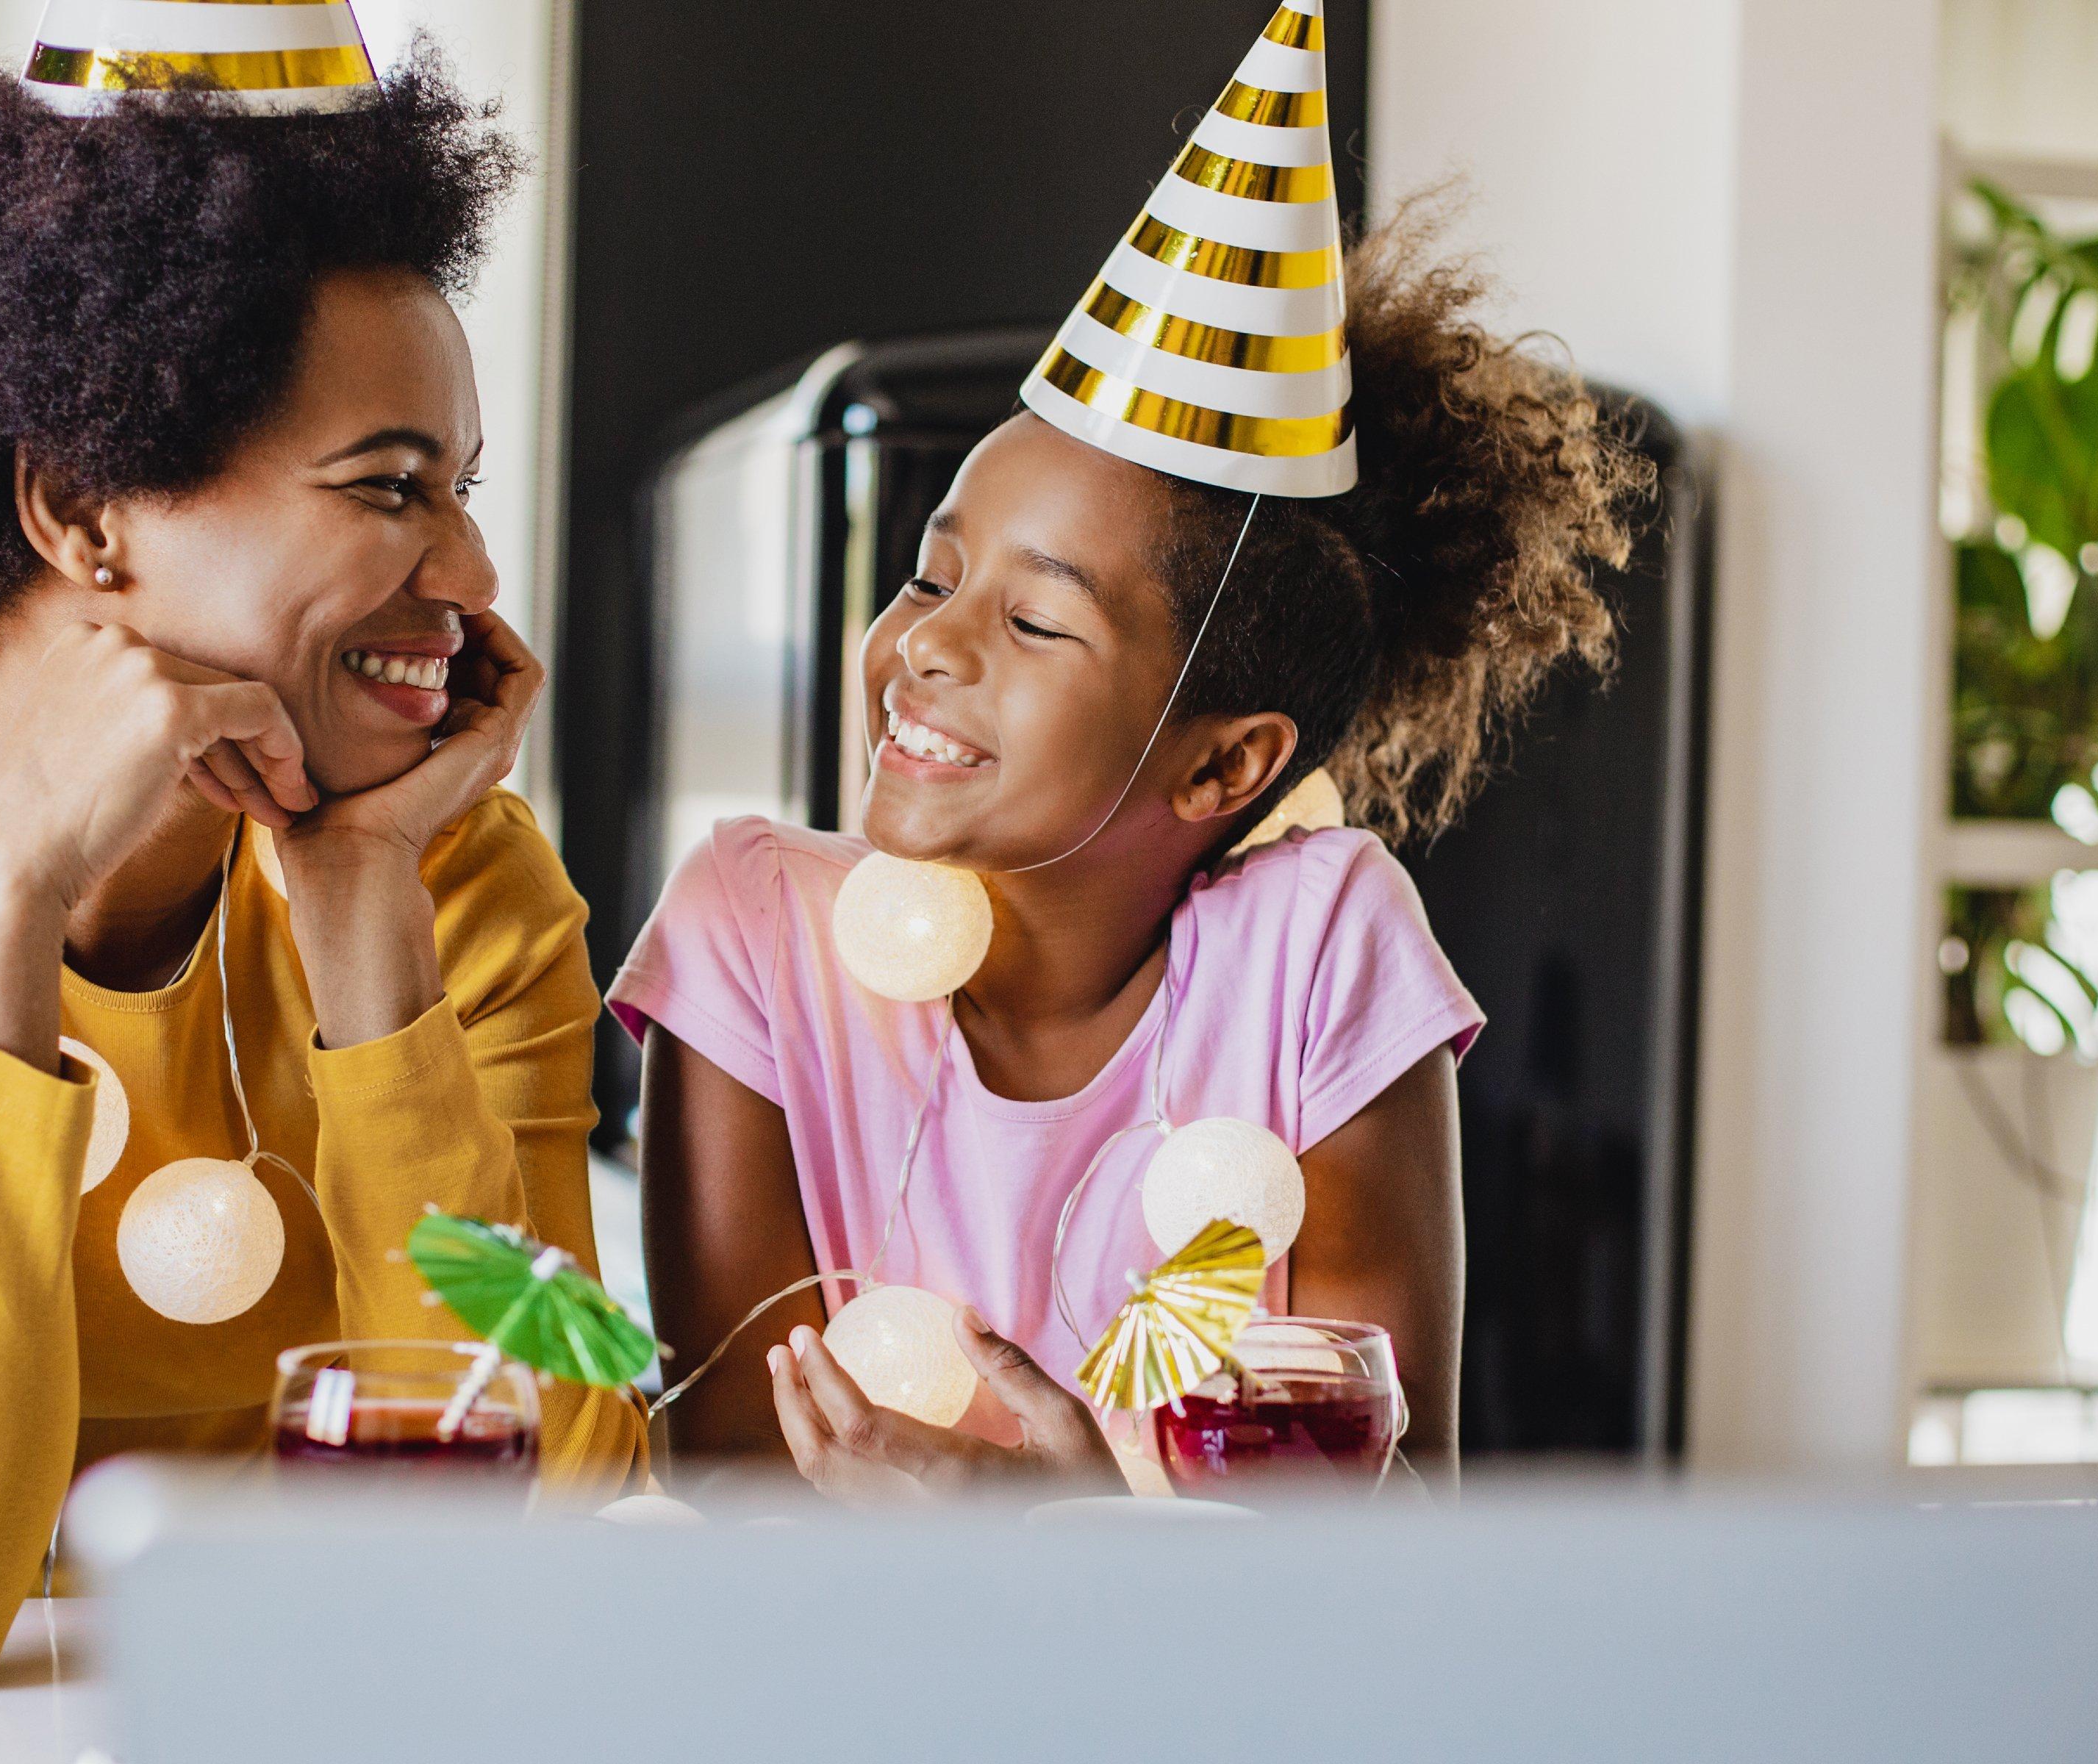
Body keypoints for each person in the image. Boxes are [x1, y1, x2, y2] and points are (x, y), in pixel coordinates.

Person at [0, 37, 632, 1753]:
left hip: (261, 1649)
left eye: (456, 488)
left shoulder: (463, 873)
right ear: (84, 510)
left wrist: (367, 906)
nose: (467, 576)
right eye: (391, 486)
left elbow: (567, 1511)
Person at [612, 0, 1643, 1501]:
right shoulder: (753, 934)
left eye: (1035, 625)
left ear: (1226, 769)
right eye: (929, 572)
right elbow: (725, 1473)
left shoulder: (1319, 952)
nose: (929, 644)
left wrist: (1072, 1533)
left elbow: (1397, 1511)